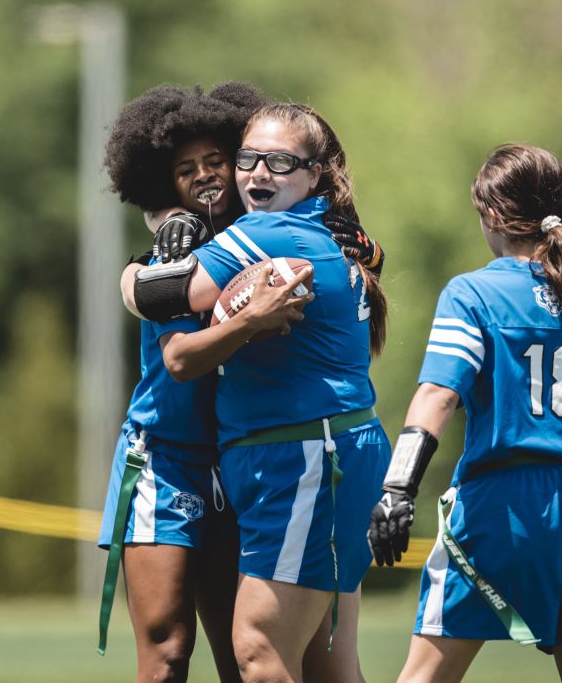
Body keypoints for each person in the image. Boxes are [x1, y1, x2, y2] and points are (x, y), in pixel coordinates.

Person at [96, 84, 384, 683]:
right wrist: (136, 269)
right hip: (166, 459)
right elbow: (176, 355)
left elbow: (356, 255)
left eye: (215, 161)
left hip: (242, 463)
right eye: (184, 169)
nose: (205, 176)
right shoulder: (171, 255)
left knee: (246, 656)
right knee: (168, 654)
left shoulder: (267, 235)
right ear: (161, 184)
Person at [368, 144, 562, 683]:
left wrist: (398, 487)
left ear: (490, 215)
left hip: (498, 506)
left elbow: (439, 396)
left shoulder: (472, 294)